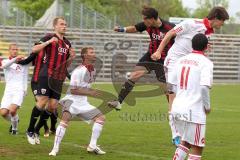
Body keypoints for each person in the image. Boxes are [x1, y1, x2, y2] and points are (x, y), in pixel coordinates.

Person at [151, 6, 229, 146]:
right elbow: (169, 34)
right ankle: (176, 136)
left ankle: (185, 134)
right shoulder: (192, 23)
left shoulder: (208, 33)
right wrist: (158, 52)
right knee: (173, 99)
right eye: (222, 21)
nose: (222, 25)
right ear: (216, 18)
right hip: (174, 62)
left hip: (187, 65)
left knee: (186, 98)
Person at [108, 6, 175, 110]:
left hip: (164, 60)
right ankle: (118, 102)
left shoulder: (170, 28)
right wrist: (122, 29)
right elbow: (134, 28)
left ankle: (174, 109)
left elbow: (183, 38)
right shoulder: (147, 24)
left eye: (145, 18)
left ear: (152, 19)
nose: (143, 21)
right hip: (150, 56)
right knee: (134, 75)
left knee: (166, 88)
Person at [25, 16, 75, 145]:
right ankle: (30, 130)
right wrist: (48, 43)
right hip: (46, 75)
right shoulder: (48, 37)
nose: (64, 26)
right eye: (62, 24)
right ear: (55, 26)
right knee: (42, 102)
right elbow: (34, 49)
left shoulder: (67, 43)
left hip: (58, 78)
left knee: (52, 107)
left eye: (65, 24)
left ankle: (36, 130)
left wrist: (72, 57)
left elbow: (66, 65)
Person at [49, 47, 106, 156]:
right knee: (65, 121)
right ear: (85, 56)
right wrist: (90, 92)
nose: (94, 54)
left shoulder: (92, 70)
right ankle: (55, 149)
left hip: (83, 103)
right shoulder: (78, 71)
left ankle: (92, 146)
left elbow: (85, 87)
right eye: (92, 52)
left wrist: (92, 91)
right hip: (71, 101)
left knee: (101, 118)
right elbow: (73, 90)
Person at [171, 33, 213, 160]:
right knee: (197, 146)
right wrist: (207, 106)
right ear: (206, 46)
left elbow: (171, 85)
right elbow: (204, 87)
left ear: (191, 45)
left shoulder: (180, 60)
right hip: (194, 112)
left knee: (186, 142)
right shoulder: (206, 63)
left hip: (177, 108)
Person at [0, 43, 28, 135]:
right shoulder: (5, 61)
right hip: (8, 90)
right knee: (3, 113)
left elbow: (25, 76)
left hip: (19, 90)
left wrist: (25, 89)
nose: (15, 51)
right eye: (13, 49)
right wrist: (16, 59)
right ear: (9, 50)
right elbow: (4, 66)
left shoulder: (23, 63)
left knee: (12, 110)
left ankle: (14, 129)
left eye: (16, 49)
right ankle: (15, 120)